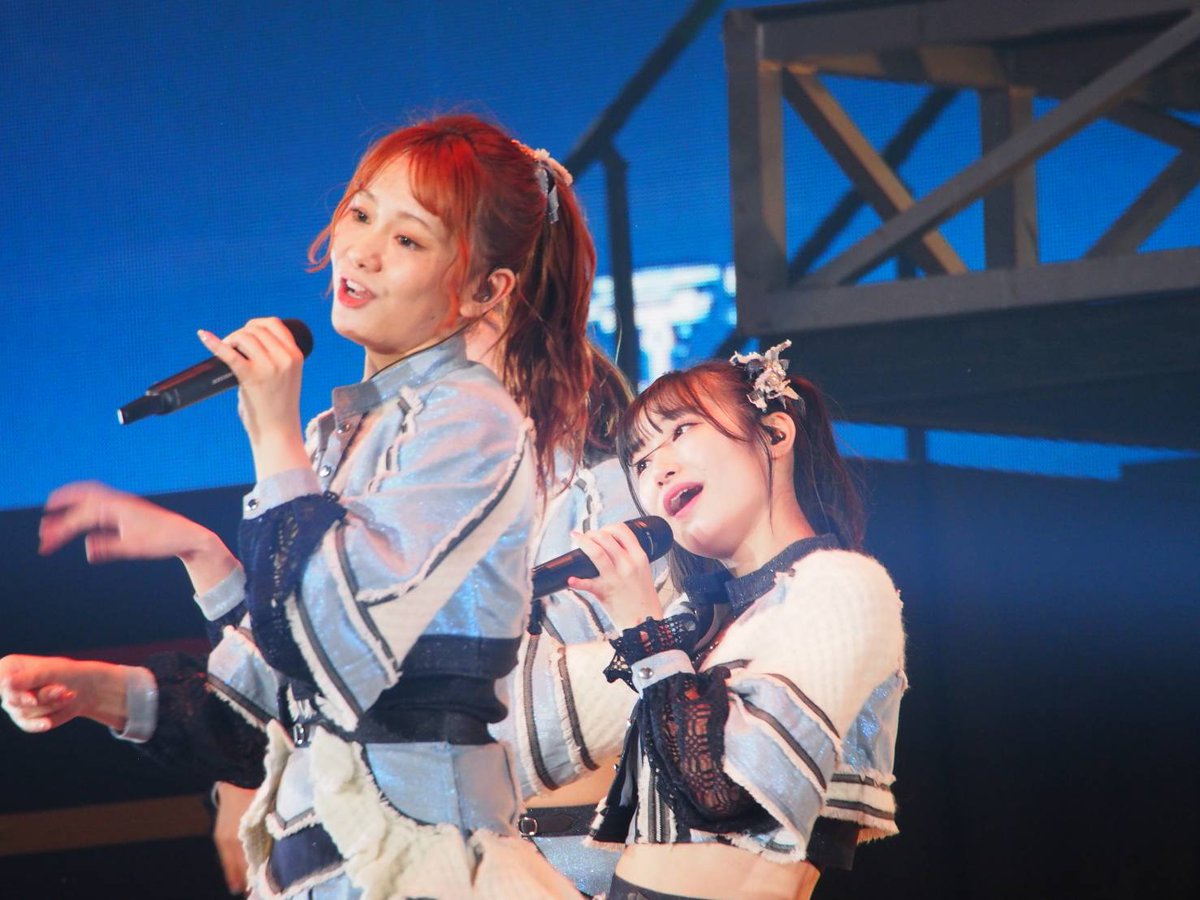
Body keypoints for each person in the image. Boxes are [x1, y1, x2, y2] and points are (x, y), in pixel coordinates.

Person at [0, 113, 598, 899]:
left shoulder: (468, 418)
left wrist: (273, 436)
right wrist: (96, 688)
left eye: (408, 239)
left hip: (421, 866)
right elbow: (254, 713)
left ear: (487, 290)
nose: (362, 251)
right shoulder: (339, 434)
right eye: (361, 213)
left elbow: (329, 647)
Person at [555, 342, 907, 900]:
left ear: (775, 434)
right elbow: (550, 720)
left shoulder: (840, 584)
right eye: (640, 462)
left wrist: (643, 627)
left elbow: (725, 798)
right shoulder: (699, 625)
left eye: (681, 430)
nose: (658, 468)